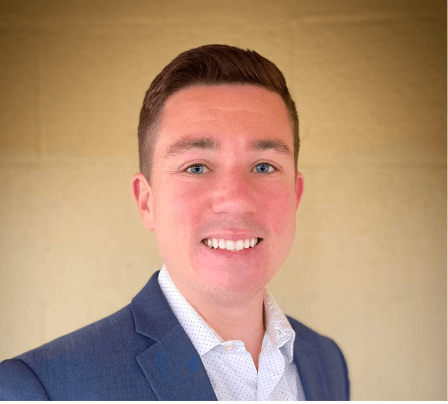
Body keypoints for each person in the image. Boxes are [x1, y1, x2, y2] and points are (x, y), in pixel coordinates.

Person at [0, 44, 349, 400]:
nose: (236, 200)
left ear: (295, 196)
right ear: (147, 202)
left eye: (264, 166)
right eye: (196, 167)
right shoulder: (42, 387)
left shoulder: (326, 362)